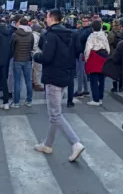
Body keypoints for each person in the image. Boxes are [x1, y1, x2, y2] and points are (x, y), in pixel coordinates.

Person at [33, 9, 85, 162]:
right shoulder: (71, 33)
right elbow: (77, 53)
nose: (45, 18)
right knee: (53, 113)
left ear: (50, 18)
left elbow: (47, 57)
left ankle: (75, 142)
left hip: (53, 76)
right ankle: (48, 144)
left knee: (55, 114)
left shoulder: (50, 35)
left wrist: (36, 56)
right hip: (66, 75)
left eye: (47, 16)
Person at [84, 20, 110, 106]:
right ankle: (100, 97)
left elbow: (88, 48)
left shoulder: (91, 36)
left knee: (93, 79)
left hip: (94, 56)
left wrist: (86, 58)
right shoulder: (104, 35)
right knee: (102, 78)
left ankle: (95, 99)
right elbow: (107, 47)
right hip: (103, 55)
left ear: (92, 28)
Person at [10, 18, 34, 108]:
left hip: (17, 59)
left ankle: (16, 102)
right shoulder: (30, 35)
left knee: (17, 81)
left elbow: (11, 47)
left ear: (19, 24)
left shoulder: (15, 35)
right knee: (28, 80)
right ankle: (29, 100)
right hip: (27, 59)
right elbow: (31, 46)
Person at [73, 16, 92, 98]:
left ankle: (80, 90)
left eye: (86, 21)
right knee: (82, 72)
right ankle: (85, 90)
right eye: (83, 21)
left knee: (80, 72)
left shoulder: (88, 30)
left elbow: (80, 38)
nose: (84, 22)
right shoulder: (82, 29)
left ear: (89, 22)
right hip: (80, 51)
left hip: (82, 52)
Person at [108, 19, 123, 92]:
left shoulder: (110, 33)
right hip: (122, 54)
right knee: (121, 71)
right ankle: (121, 87)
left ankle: (115, 87)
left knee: (114, 71)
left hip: (113, 54)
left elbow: (108, 43)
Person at [31, 23, 44, 91]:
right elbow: (34, 46)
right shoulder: (35, 35)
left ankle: (33, 82)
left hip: (34, 54)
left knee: (34, 70)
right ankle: (37, 84)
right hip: (37, 53)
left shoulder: (32, 35)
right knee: (38, 70)